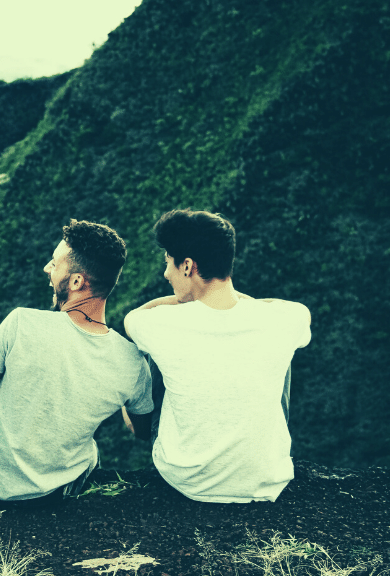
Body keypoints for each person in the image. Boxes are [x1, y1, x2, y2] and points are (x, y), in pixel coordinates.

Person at [0, 219, 153, 507]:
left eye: (55, 263)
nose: (47, 268)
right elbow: (142, 431)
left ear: (76, 282)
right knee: (91, 452)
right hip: (53, 495)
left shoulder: (21, 323)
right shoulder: (132, 362)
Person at [123, 209, 311, 503]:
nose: (166, 273)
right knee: (278, 350)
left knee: (154, 351)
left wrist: (183, 301)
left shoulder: (160, 323)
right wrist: (237, 301)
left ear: (187, 266)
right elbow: (285, 308)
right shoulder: (286, 319)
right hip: (266, 480)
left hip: (187, 479)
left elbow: (132, 319)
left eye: (168, 262)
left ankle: (144, 431)